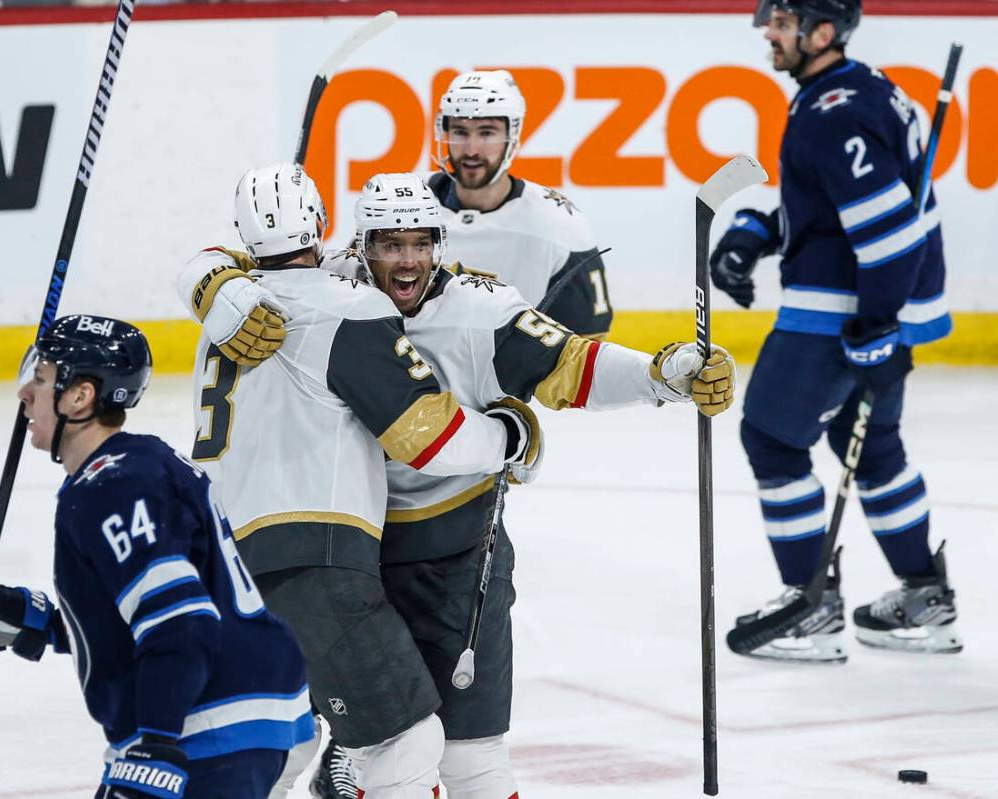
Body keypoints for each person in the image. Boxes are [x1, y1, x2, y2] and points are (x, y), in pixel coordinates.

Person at [186, 170, 737, 798]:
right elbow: (245, 256)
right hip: (352, 559)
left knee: (468, 760)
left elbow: (571, 364)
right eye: (389, 244)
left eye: (420, 243)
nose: (407, 259)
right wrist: (214, 285)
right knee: (326, 738)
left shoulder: (481, 309)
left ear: (440, 243)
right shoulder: (337, 287)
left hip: (454, 562)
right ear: (358, 246)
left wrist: (662, 374)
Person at [177, 163, 540, 799]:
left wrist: (205, 277)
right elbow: (429, 436)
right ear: (323, 225)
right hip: (313, 559)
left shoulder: (228, 310)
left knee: (282, 745)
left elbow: (205, 263)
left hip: (221, 560)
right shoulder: (348, 307)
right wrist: (510, 438)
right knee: (406, 741)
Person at [0, 315, 315, 799]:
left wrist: (156, 748)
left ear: (80, 396)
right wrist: (34, 623)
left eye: (41, 378)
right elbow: (148, 619)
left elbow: (180, 623)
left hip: (208, 721)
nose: (25, 394)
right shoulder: (138, 462)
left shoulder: (113, 486)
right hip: (229, 706)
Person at [713, 0, 961, 663]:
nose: (768, 30)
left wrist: (875, 326)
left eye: (783, 21)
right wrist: (758, 233)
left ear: (822, 33)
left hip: (840, 312)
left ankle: (809, 602)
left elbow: (888, 233)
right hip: (878, 303)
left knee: (770, 438)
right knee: (874, 447)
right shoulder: (858, 88)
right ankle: (925, 595)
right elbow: (830, 206)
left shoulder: (834, 112)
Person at [429, 69, 613, 340]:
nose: (471, 150)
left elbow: (588, 347)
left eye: (487, 132)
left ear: (513, 135)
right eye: (460, 131)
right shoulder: (403, 206)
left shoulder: (559, 225)